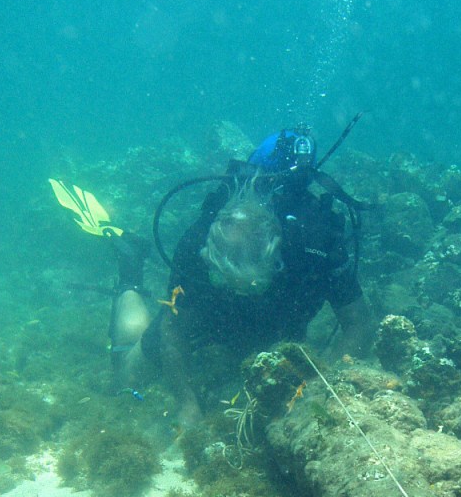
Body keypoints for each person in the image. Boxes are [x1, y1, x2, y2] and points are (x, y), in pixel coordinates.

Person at [107, 127, 372, 426]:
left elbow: (358, 323)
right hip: (207, 320)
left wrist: (316, 390)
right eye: (223, 281)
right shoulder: (196, 244)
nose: (237, 293)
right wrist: (186, 403)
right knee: (124, 376)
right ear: (210, 258)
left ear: (277, 263)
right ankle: (130, 272)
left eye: (252, 286)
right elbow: (174, 329)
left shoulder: (316, 245)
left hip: (279, 329)